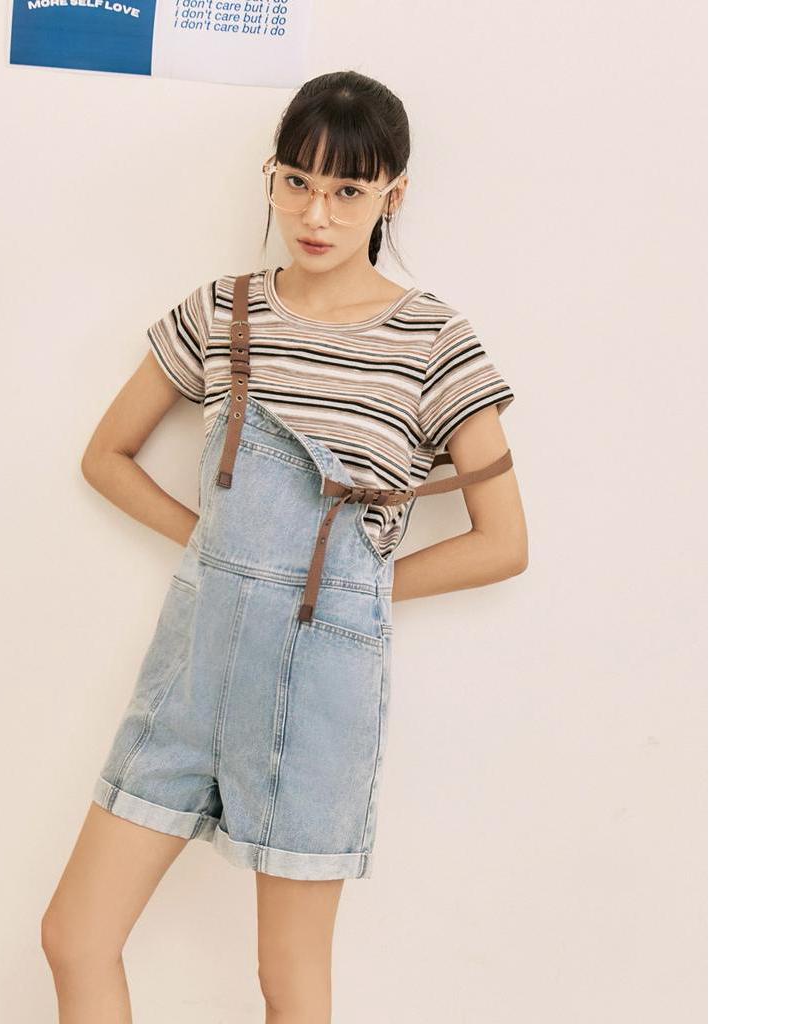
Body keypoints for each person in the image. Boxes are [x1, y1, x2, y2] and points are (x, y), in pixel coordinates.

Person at [41, 69, 528, 1023]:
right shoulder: (225, 311)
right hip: (196, 663)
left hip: (321, 687)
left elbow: (503, 541)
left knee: (287, 980)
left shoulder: (435, 340)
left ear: (394, 194)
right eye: (297, 181)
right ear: (271, 175)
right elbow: (106, 457)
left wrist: (351, 588)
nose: (316, 213)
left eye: (348, 189)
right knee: (75, 936)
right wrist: (222, 551)